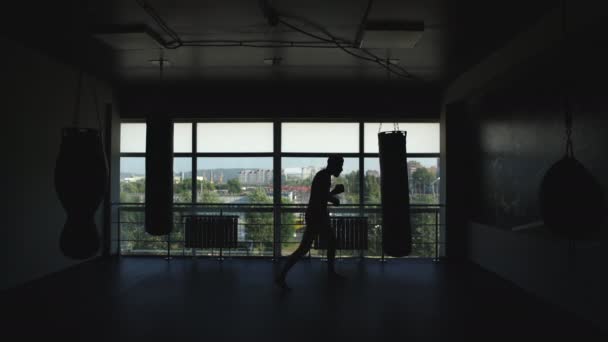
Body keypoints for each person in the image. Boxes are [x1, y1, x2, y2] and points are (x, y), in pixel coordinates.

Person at [275, 155, 345, 290]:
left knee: (312, 246)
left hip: (316, 215)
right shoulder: (324, 177)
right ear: (334, 165)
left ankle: (282, 276)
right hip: (317, 216)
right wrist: (335, 196)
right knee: (319, 245)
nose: (341, 169)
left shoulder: (323, 175)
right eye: (340, 166)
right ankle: (282, 276)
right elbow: (323, 197)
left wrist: (333, 193)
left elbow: (321, 196)